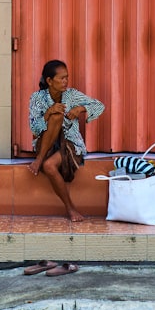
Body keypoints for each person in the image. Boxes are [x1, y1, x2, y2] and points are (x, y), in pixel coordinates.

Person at [27, 59, 105, 222]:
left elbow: (99, 106)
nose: (65, 82)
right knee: (55, 116)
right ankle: (40, 158)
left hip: (69, 143)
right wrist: (48, 113)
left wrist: (80, 108)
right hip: (45, 145)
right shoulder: (37, 98)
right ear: (49, 81)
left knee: (49, 166)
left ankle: (70, 209)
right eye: (61, 78)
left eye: (66, 78)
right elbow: (34, 128)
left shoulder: (72, 95)